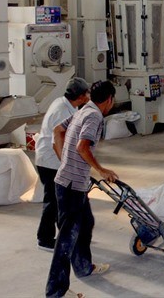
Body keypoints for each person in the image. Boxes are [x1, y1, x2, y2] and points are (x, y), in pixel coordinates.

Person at [46, 80, 119, 298]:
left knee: (86, 223)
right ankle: (56, 292)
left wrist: (65, 162)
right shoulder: (95, 116)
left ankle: (83, 267)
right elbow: (82, 146)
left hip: (69, 181)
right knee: (66, 241)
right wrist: (100, 169)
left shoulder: (84, 108)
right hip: (71, 186)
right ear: (109, 100)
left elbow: (57, 130)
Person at [35, 78, 90, 252]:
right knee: (53, 201)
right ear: (81, 96)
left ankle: (66, 235)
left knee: (61, 201)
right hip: (50, 162)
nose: (88, 96)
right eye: (87, 94)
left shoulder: (64, 104)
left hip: (51, 160)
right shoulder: (62, 111)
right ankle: (44, 239)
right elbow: (57, 142)